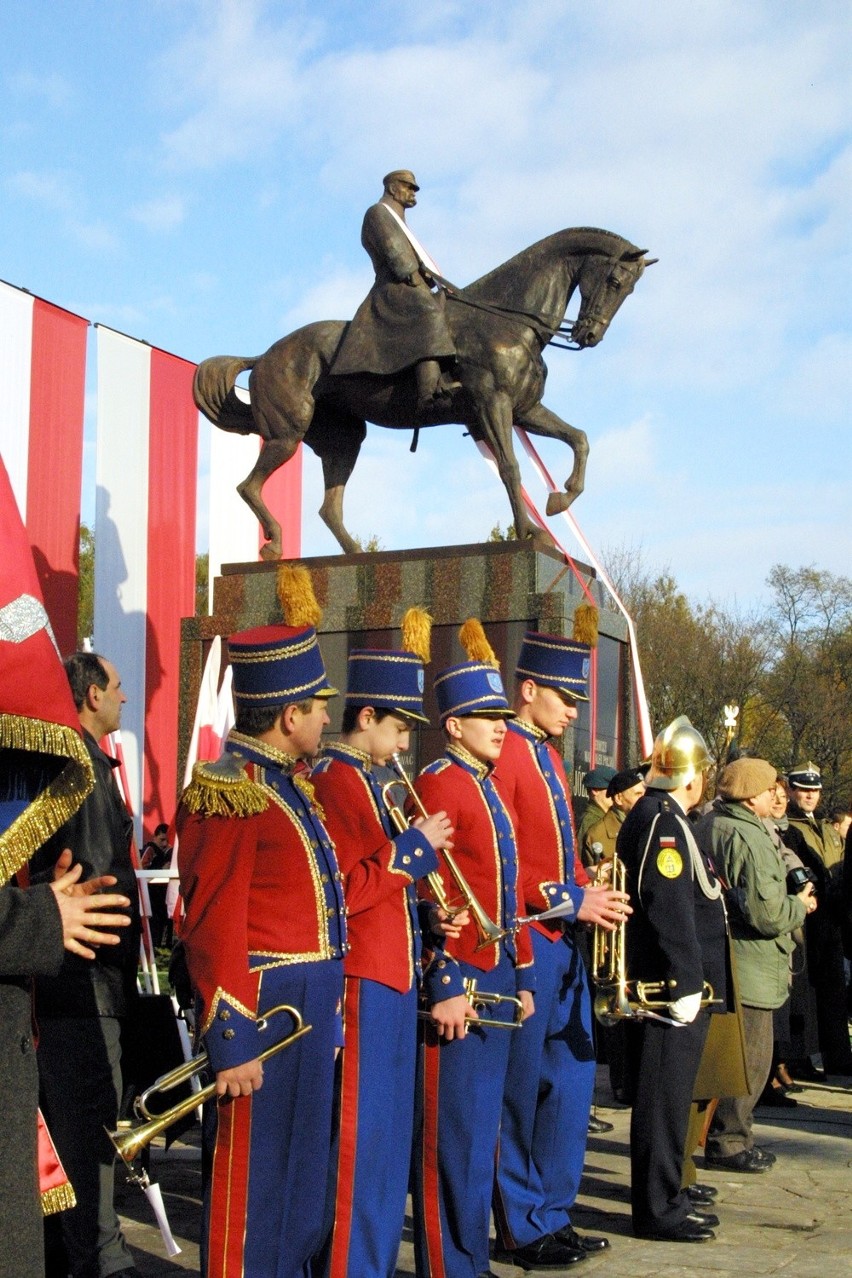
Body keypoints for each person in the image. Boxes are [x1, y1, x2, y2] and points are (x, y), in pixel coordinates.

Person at [176, 588, 347, 1278]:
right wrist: (231, 1037)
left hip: (303, 1010)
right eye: (319, 706)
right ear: (288, 714)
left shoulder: (285, 783)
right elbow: (212, 920)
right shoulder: (231, 786)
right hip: (262, 1009)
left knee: (302, 1190)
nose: (329, 716)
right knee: (253, 1191)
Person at [0, 468, 132, 1278]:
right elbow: (83, 879)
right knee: (87, 1161)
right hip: (76, 989)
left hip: (61, 994)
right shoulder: (68, 761)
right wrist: (46, 921)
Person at [311, 615, 455, 1278]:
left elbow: (391, 887)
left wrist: (432, 920)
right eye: (397, 728)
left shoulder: (373, 783)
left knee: (389, 1143)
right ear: (364, 718)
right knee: (361, 1145)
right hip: (363, 981)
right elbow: (340, 894)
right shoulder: (335, 781)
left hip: (395, 978)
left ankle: (369, 1261)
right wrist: (412, 853)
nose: (402, 744)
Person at [491, 629, 630, 1269]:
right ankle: (522, 1226)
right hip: (527, 940)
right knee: (519, 1094)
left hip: (563, 941)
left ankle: (553, 1211)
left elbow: (559, 853)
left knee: (570, 1088)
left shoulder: (545, 755)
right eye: (564, 697)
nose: (574, 710)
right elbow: (499, 862)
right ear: (528, 691)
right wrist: (573, 899)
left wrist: (585, 884)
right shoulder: (508, 754)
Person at [411, 622, 535, 1278]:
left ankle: (469, 1258)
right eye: (486, 716)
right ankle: (450, 1266)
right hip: (461, 983)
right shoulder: (440, 783)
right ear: (453, 725)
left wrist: (523, 972)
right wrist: (446, 978)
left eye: (503, 716)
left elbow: (503, 892)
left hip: (497, 973)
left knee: (479, 1134)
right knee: (450, 1139)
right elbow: (432, 896)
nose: (500, 726)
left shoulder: (485, 785)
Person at [29, 652, 142, 1278]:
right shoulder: (81, 768)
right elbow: (98, 875)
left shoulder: (85, 763)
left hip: (82, 982)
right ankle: (101, 1259)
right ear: (93, 694)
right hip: (83, 983)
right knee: (88, 1131)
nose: (125, 699)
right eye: (119, 688)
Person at [617, 716, 728, 1243]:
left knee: (671, 1100)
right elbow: (668, 905)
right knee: (662, 1102)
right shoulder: (662, 819)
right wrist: (686, 979)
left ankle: (670, 1199)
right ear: (694, 776)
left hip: (673, 986)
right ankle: (658, 1209)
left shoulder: (664, 813)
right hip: (666, 989)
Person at [696, 758, 814, 1172]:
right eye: (769, 790)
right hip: (752, 964)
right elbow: (766, 913)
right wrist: (799, 907)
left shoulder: (710, 823)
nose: (776, 796)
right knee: (750, 1061)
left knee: (729, 1058)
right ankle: (731, 1142)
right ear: (750, 795)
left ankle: (724, 1137)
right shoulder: (747, 835)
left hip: (725, 960)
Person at [331, 169, 459, 415]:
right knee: (427, 311)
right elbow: (396, 254)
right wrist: (413, 276)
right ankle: (429, 390)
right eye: (408, 186)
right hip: (393, 288)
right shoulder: (377, 213)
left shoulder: (398, 218)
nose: (413, 192)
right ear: (392, 188)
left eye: (413, 188)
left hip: (410, 283)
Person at [783, 763, 852, 1077]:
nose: (809, 796)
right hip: (807, 917)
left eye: (814, 791)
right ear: (792, 790)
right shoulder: (790, 827)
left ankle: (838, 1054)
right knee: (805, 992)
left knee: (833, 990)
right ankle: (801, 1056)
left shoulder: (825, 827)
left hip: (832, 917)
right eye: (803, 790)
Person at [582, 766, 646, 870]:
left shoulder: (649, 824)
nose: (644, 799)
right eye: (637, 794)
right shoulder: (596, 834)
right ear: (619, 798)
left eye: (644, 794)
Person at [140, 822, 172, 949]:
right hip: (152, 900)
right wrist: (162, 869)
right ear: (154, 837)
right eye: (162, 840)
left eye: (167, 840)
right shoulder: (151, 849)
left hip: (162, 900)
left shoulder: (168, 852)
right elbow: (141, 871)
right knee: (154, 932)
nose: (164, 844)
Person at [576, 766, 617, 862]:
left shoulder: (606, 816)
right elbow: (581, 858)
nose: (615, 794)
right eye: (611, 789)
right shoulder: (590, 821)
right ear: (595, 790)